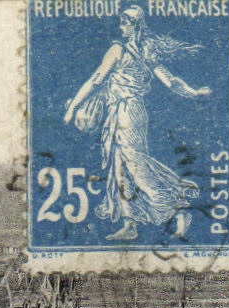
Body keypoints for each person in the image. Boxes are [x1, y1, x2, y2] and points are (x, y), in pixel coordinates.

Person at [64, 5, 212, 242]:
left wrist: (72, 108)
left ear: (135, 25)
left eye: (124, 23)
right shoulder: (147, 50)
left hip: (126, 112)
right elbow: (171, 81)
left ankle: (177, 209)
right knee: (120, 169)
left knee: (135, 166)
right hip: (127, 111)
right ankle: (129, 223)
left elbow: (96, 79)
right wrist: (193, 92)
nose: (120, 27)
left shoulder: (118, 49)